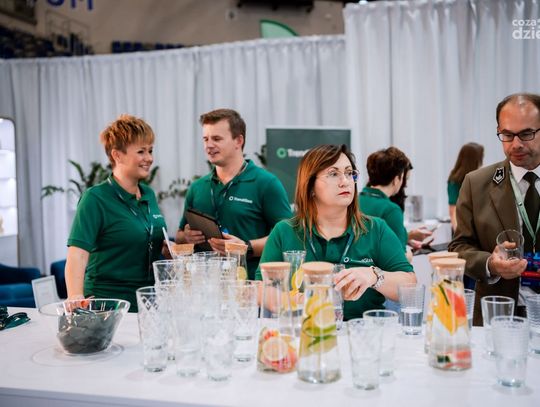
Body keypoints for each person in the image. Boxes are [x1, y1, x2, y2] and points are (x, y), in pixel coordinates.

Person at [256, 144, 415, 320]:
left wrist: (374, 276)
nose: (345, 181)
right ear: (310, 186)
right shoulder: (285, 231)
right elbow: (261, 287)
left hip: (362, 330)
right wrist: (304, 301)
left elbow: (409, 285)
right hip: (304, 329)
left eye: (349, 173)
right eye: (333, 174)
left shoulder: (375, 229)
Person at [449, 93, 540, 325]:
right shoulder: (476, 183)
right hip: (497, 314)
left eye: (526, 134)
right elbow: (459, 247)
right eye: (507, 135)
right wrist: (490, 263)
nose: (516, 144)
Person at [65, 114, 167, 312]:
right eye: (141, 151)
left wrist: (166, 250)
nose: (149, 158)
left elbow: (147, 240)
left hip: (148, 303)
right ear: (117, 155)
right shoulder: (95, 198)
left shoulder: (148, 194)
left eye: (150, 150)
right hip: (108, 307)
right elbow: (77, 255)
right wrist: (75, 296)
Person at [176, 108, 291, 279]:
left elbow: (287, 237)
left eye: (216, 139)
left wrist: (246, 247)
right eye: (205, 139)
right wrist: (186, 237)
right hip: (206, 285)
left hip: (250, 284)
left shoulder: (266, 183)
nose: (209, 145)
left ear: (238, 140)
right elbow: (179, 236)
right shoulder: (197, 187)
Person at [359, 147, 433, 251]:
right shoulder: (391, 210)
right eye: (404, 179)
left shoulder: (354, 201)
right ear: (397, 178)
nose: (405, 185)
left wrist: (406, 237)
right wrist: (409, 253)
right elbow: (399, 258)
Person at [447, 142, 484, 231]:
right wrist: (459, 233)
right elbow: (453, 211)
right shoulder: (455, 182)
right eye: (481, 157)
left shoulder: (479, 178)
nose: (482, 161)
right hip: (463, 229)